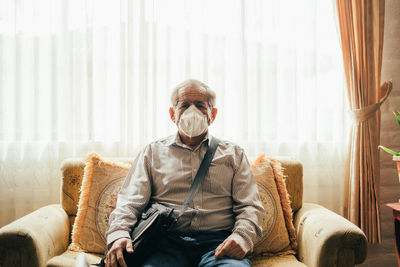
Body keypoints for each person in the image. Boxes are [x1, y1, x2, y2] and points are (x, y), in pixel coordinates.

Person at [105, 79, 264, 267]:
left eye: (200, 105)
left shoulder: (233, 154)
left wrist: (242, 237)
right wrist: (119, 234)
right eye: (185, 105)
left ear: (212, 114)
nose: (192, 111)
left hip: (218, 244)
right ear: (173, 114)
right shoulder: (152, 152)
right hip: (165, 244)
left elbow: (250, 206)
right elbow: (130, 202)